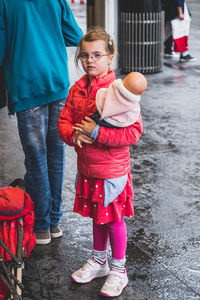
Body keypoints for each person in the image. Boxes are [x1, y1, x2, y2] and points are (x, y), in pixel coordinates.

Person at [58, 28, 143, 298]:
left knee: (114, 220)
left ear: (110, 58)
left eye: (97, 55)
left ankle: (119, 269)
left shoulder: (120, 92)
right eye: (85, 55)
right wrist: (73, 135)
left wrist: (96, 133)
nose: (90, 60)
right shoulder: (77, 89)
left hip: (112, 172)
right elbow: (64, 121)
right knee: (98, 217)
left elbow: (133, 133)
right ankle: (99, 261)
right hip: (88, 168)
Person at [0, 0, 83, 245]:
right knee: (56, 156)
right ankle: (54, 222)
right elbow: (75, 35)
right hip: (57, 83)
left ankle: (41, 226)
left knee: (36, 160)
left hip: (27, 87)